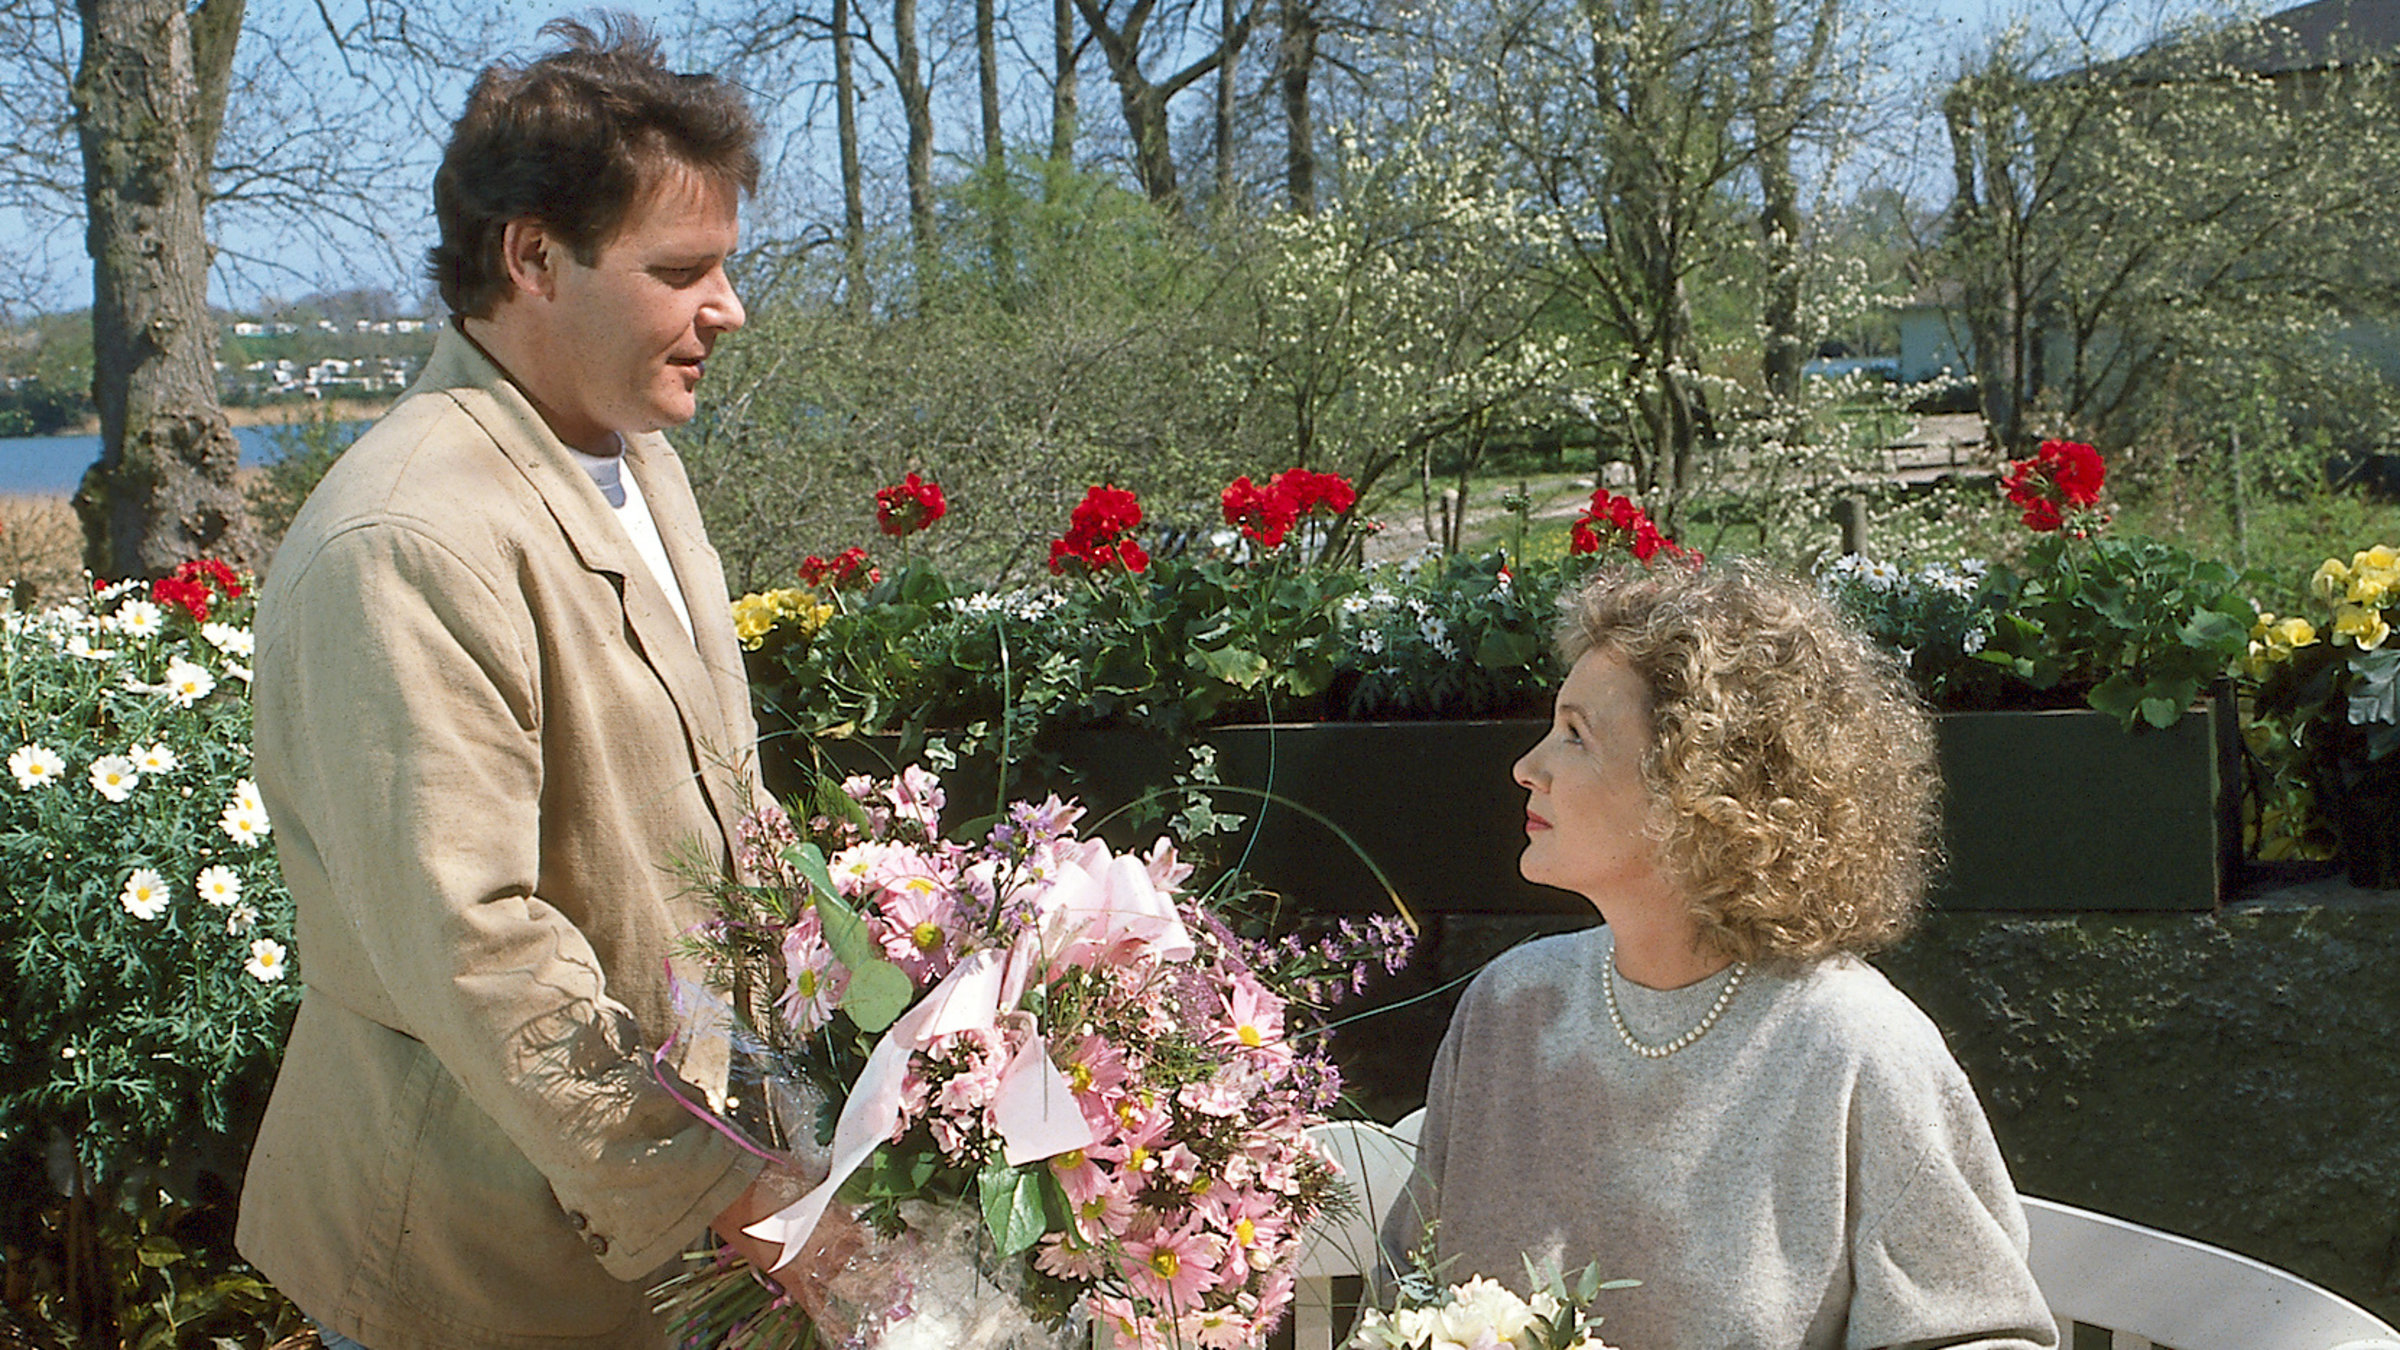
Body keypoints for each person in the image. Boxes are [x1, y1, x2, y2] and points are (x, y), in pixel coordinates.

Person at [236, 19, 802, 1349]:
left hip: (655, 1244)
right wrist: (737, 1197)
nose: (728, 308)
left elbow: (697, 822)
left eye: (724, 265)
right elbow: (477, 943)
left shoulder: (632, 458)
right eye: (682, 270)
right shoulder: (408, 539)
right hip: (482, 1272)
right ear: (533, 257)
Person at [1383, 560, 2058, 1349]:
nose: (1528, 767)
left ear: (1699, 788)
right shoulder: (1510, 1008)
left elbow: (1979, 1334)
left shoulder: (1855, 1044)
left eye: (1576, 735)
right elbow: (1407, 1290)